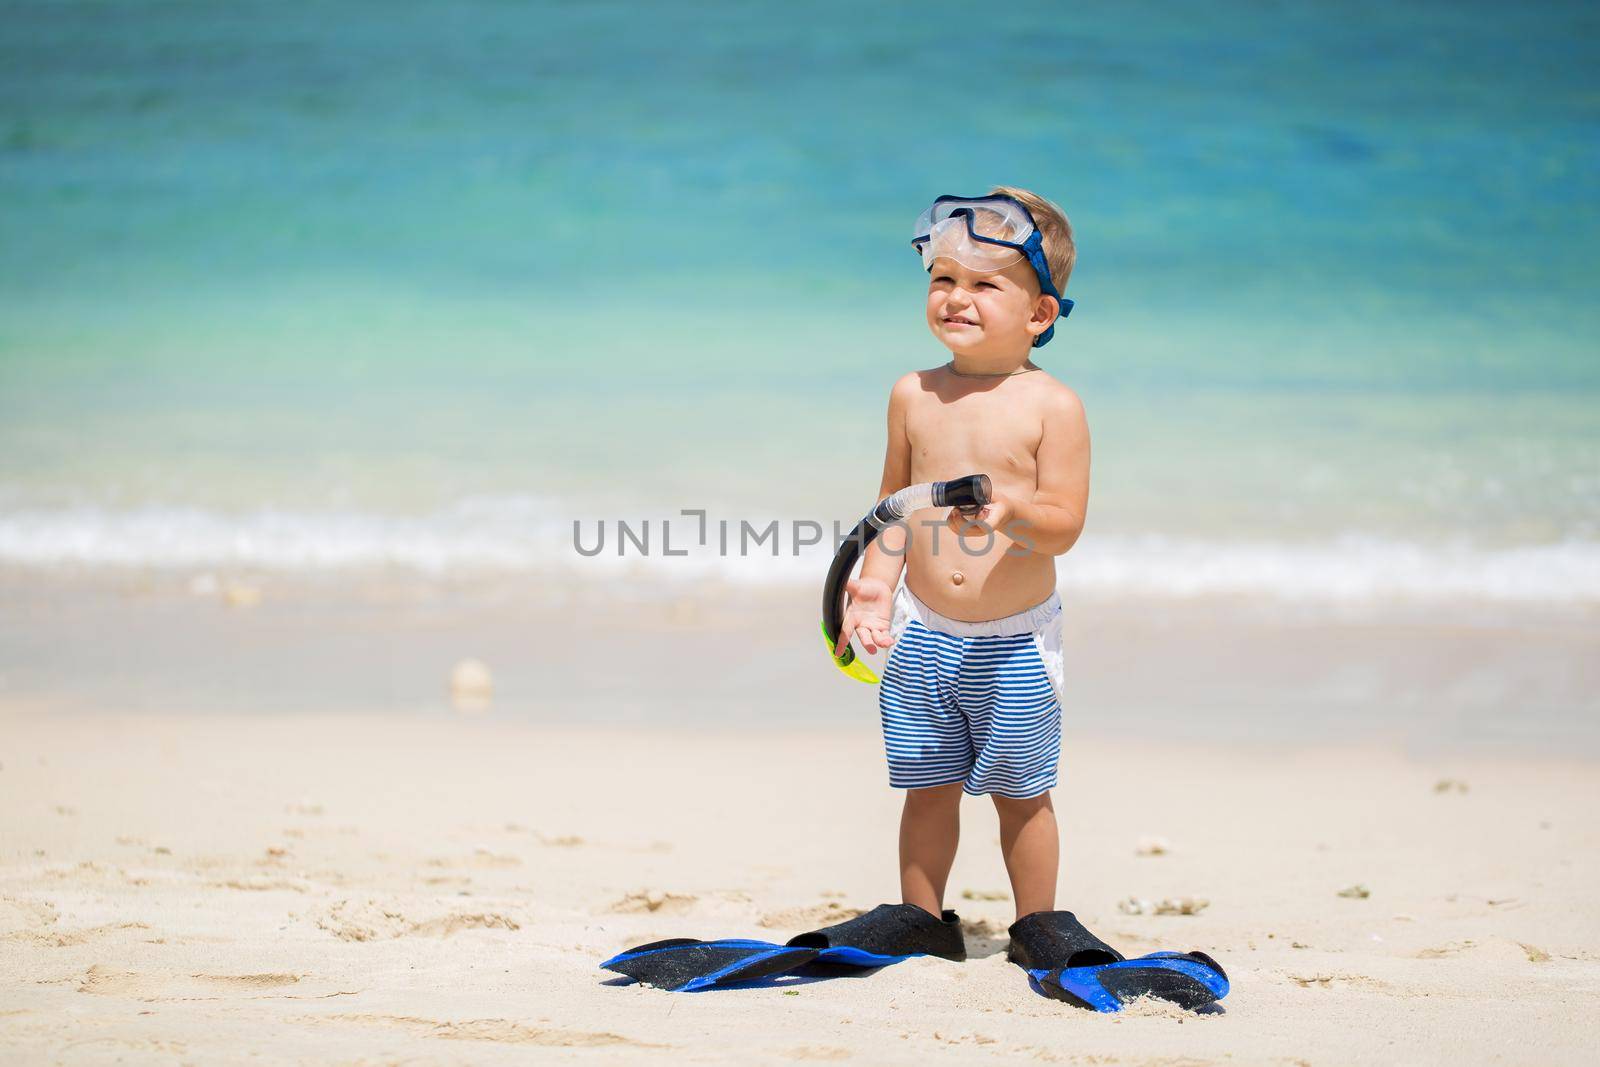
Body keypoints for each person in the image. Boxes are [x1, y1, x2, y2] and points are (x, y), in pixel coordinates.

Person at [834, 187, 1089, 925]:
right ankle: (922, 917)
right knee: (927, 784)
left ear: (1040, 313)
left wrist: (1014, 516)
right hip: (924, 633)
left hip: (1013, 642)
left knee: (1021, 791)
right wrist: (875, 588)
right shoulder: (913, 394)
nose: (956, 297)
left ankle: (1037, 923)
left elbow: (1065, 523)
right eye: (943, 279)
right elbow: (891, 508)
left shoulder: (1052, 406)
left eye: (984, 284)